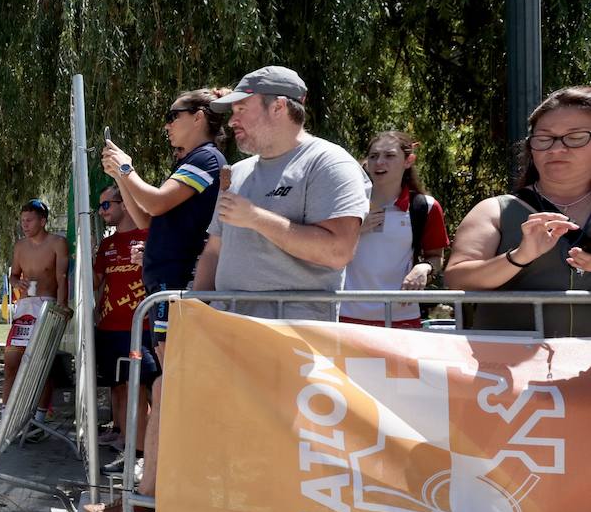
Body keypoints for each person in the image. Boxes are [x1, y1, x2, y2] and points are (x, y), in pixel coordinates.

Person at [91, 87, 229, 512]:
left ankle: (156, 498)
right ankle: (148, 495)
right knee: (165, 389)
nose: (167, 124)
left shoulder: (207, 160)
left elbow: (154, 201)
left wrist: (128, 169)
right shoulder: (188, 163)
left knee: (170, 392)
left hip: (180, 286)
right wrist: (120, 177)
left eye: (173, 114)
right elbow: (149, 217)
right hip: (165, 286)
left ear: (200, 116)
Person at [192, 65, 368, 322]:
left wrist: (255, 218)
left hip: (294, 337)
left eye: (241, 109)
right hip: (227, 331)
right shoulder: (237, 172)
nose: (232, 121)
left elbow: (337, 251)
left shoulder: (329, 163)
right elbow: (215, 250)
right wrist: (197, 310)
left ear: (278, 107)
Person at [447, 85, 591, 336]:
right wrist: (520, 256)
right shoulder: (494, 211)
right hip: (507, 367)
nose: (557, 149)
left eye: (576, 137)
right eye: (544, 139)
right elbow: (456, 280)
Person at [340, 132, 450, 327]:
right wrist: (353, 230)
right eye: (373, 156)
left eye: (389, 156)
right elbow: (321, 246)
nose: (379, 162)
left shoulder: (426, 207)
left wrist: (424, 268)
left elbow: (436, 257)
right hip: (344, 317)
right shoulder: (344, 203)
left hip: (402, 319)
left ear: (409, 161)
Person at [0, 200, 68, 441]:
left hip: (48, 305)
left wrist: (62, 307)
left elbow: (62, 277)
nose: (25, 225)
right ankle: (5, 420)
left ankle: (39, 421)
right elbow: (13, 275)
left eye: (29, 220)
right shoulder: (20, 246)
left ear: (43, 221)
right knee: (11, 363)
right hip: (24, 309)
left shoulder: (57, 243)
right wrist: (15, 283)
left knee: (42, 366)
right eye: (22, 220)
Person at [90, 184, 150, 452]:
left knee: (139, 387)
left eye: (106, 205)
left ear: (124, 203)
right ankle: (123, 436)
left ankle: (138, 450)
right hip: (108, 326)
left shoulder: (149, 235)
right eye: (100, 206)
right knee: (118, 385)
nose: (101, 211)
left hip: (140, 327)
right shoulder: (107, 244)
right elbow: (95, 282)